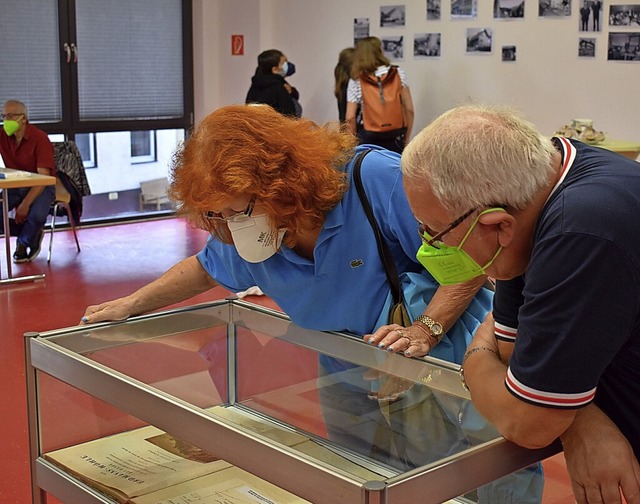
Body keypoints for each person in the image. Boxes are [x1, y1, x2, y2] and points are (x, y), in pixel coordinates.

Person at [79, 104, 545, 502]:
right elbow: (207, 266)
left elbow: (470, 262)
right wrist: (133, 305)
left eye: (237, 212)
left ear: (280, 182)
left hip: (438, 356)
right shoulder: (242, 229)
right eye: (213, 217)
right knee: (361, 470)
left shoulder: (372, 180)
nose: (227, 228)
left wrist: (425, 329)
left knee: (461, 478)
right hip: (344, 360)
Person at [401, 104, 640, 503]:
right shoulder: (540, 184)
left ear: (498, 225)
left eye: (434, 231)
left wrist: (474, 356)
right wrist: (582, 421)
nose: (429, 244)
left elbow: (527, 422)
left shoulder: (579, 231)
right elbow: (514, 351)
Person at [0, 99, 55, 263]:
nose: (5, 121)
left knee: (36, 216)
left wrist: (25, 204)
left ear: (23, 118)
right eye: (3, 116)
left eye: (10, 116)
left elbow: (43, 178)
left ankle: (24, 243)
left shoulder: (39, 138)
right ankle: (32, 232)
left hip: (41, 186)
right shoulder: (3, 135)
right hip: (15, 185)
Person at [345, 36, 414, 154]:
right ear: (379, 51)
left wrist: (352, 146)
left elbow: (350, 117)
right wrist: (406, 139)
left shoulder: (357, 80)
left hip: (368, 137)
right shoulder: (398, 73)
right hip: (395, 136)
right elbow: (409, 109)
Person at [246, 49, 301, 117]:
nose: (288, 65)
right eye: (284, 63)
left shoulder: (256, 84)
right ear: (274, 69)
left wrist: (292, 91)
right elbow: (290, 115)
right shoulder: (277, 87)